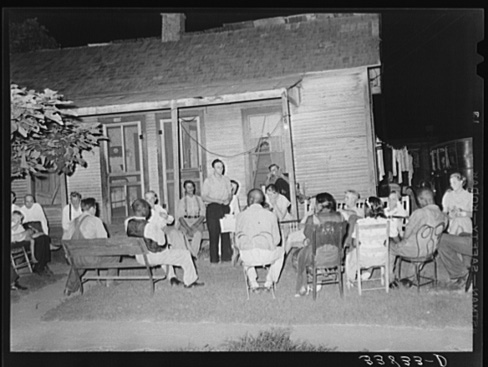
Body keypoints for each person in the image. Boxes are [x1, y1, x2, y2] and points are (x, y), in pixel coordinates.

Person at [126, 199, 204, 288]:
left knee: (166, 252)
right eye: (148, 208)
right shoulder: (150, 226)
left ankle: (172, 278)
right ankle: (190, 281)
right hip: (152, 258)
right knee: (184, 254)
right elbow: (161, 243)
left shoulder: (127, 223)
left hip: (140, 257)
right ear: (144, 210)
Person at [389, 187, 448, 288]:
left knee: (388, 246)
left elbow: (407, 232)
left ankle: (390, 278)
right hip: (430, 250)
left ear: (421, 199)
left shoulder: (420, 213)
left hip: (415, 251)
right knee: (420, 243)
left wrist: (401, 241)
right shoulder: (444, 216)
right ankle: (410, 278)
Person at [63, 198, 119, 296]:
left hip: (75, 259)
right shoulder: (96, 221)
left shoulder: (72, 222)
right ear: (93, 208)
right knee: (115, 256)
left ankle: (69, 287)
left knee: (79, 261)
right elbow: (104, 241)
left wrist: (69, 256)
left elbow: (65, 240)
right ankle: (110, 281)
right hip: (91, 258)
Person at [294, 192, 344, 297]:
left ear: (319, 205)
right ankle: (321, 273)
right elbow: (342, 235)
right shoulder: (340, 216)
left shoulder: (312, 219)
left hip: (317, 255)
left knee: (297, 256)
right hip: (337, 255)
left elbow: (306, 234)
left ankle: (307, 284)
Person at [235, 189, 284, 291]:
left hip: (247, 257)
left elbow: (237, 241)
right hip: (266, 256)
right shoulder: (271, 215)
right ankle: (269, 282)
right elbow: (277, 240)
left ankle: (253, 282)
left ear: (250, 200)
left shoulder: (240, 216)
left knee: (244, 247)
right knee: (281, 252)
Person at [345, 196, 389, 285]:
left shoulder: (361, 223)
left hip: (363, 260)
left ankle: (350, 279)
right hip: (381, 258)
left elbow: (354, 243)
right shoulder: (386, 222)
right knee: (373, 248)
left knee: (350, 255)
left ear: (367, 209)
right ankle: (371, 273)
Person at [201, 159, 233, 264]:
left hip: (224, 207)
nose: (221, 169)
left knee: (225, 232)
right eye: (218, 167)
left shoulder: (226, 180)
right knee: (214, 233)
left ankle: (226, 257)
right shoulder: (208, 180)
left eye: (222, 167)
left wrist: (228, 199)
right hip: (213, 208)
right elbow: (204, 197)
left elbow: (230, 193)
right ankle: (214, 259)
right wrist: (217, 200)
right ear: (213, 169)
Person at [11, 210, 52, 275]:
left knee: (43, 238)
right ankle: (38, 264)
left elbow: (26, 235)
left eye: (20, 219)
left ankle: (42, 264)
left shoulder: (19, 225)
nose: (20, 221)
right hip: (14, 242)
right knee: (35, 240)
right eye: (18, 219)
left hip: (23, 239)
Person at [176, 181, 206, 258]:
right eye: (188, 187)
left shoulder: (199, 199)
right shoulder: (182, 201)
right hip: (185, 222)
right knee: (182, 235)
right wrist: (188, 228)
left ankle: (192, 254)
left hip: (197, 221)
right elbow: (180, 217)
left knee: (198, 234)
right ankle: (191, 254)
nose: (190, 189)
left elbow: (203, 215)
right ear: (185, 189)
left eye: (192, 187)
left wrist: (195, 225)